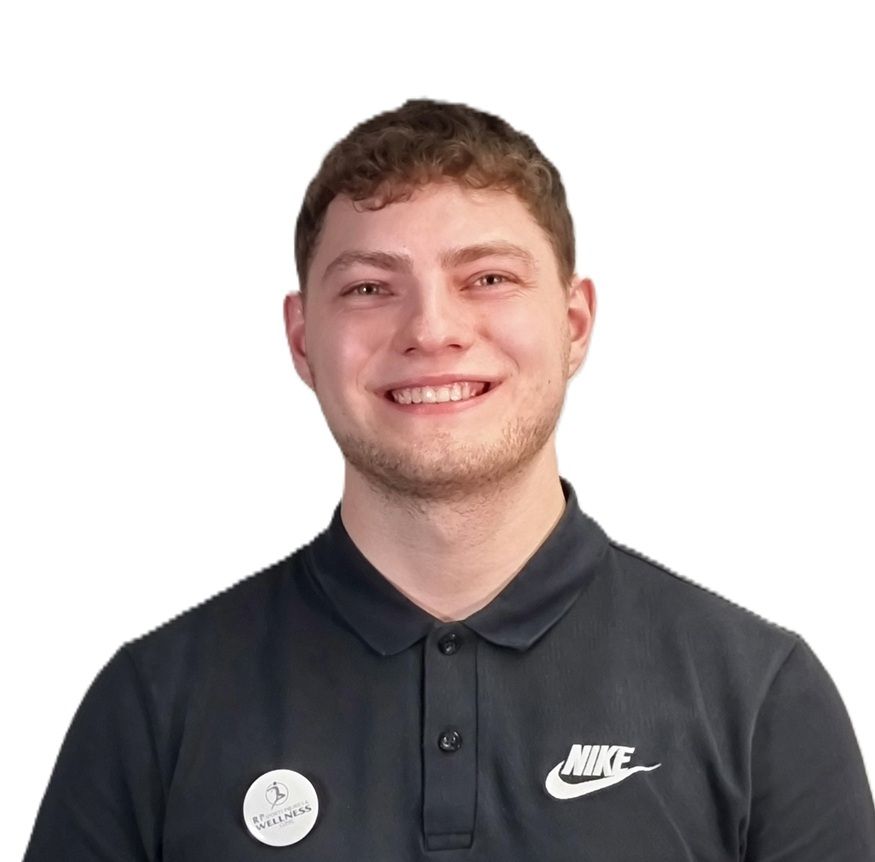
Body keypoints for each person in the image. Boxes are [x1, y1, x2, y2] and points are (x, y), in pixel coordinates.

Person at [22, 98, 875, 861]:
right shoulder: (152, 708)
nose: (431, 329)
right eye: (368, 287)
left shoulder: (762, 701)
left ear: (574, 324)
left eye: (488, 278)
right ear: (300, 341)